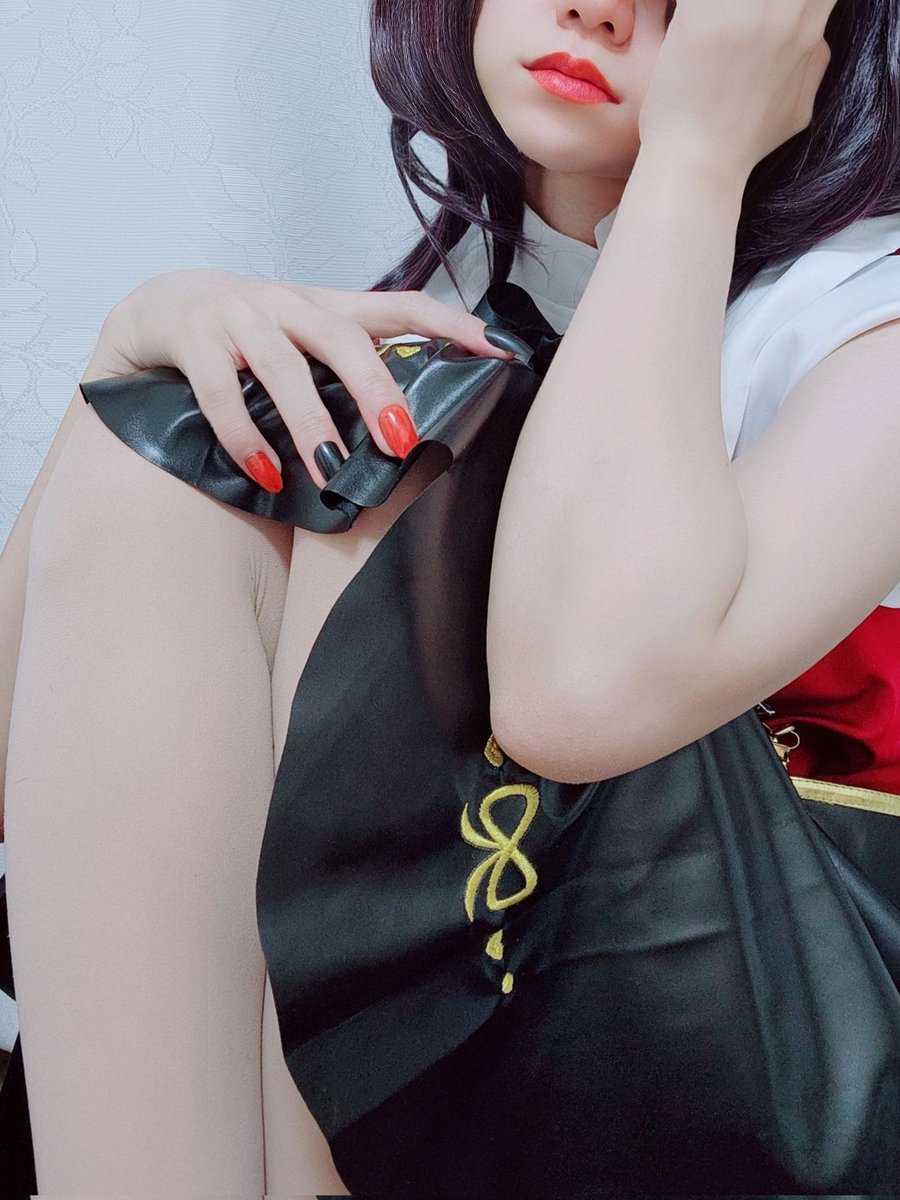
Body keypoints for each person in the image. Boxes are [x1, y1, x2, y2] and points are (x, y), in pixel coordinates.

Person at [3, 0, 900, 1193]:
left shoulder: (867, 316)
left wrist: (697, 157)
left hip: (779, 1048)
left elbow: (577, 697)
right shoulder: (452, 308)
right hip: (487, 1027)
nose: (594, 8)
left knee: (391, 477)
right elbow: (42, 795)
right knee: (182, 449)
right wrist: (124, 365)